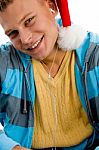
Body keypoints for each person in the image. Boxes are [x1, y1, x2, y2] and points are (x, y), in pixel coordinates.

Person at [0, 0, 99, 150]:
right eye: (13, 33)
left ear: (52, 7)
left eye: (29, 21)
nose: (25, 39)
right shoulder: (4, 62)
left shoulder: (94, 56)